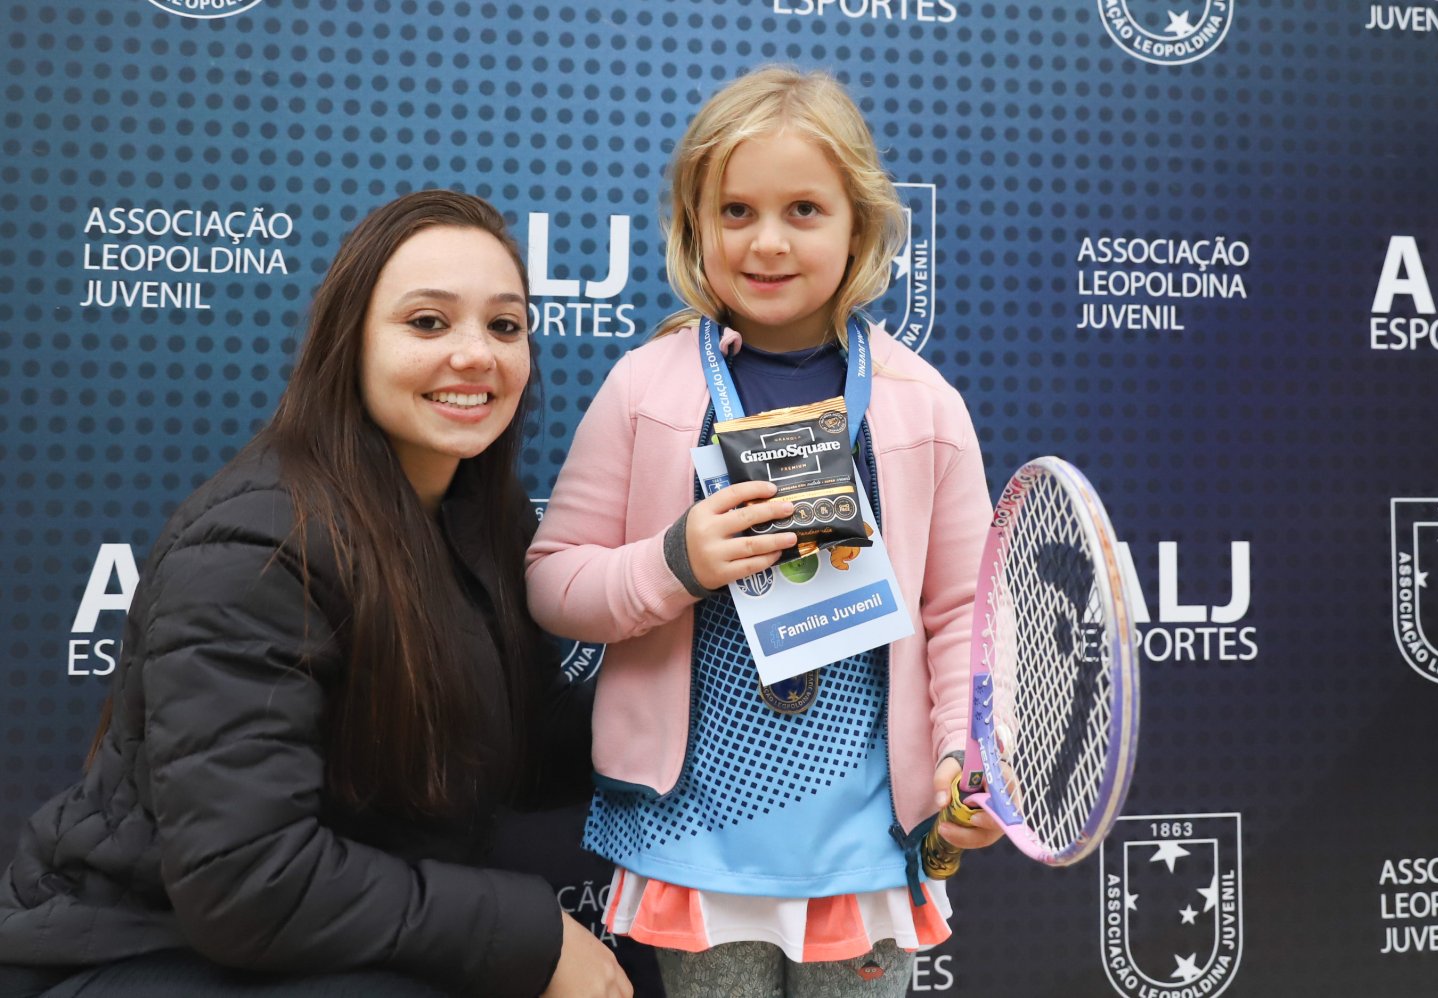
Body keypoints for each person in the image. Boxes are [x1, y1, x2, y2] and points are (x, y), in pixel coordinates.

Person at [0, 191, 632, 998]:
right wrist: (532, 937)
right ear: (349, 341)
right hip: (132, 950)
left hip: (298, 938)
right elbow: (247, 880)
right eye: (428, 323)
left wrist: (692, 699)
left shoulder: (484, 514)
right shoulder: (257, 546)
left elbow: (521, 751)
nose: (477, 354)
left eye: (505, 326)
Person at [525, 67, 1003, 997]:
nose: (768, 241)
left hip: (867, 843)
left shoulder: (923, 405)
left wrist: (965, 758)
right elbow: (553, 580)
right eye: (736, 211)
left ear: (860, 226)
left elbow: (967, 617)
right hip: (695, 837)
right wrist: (675, 563)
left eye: (804, 211)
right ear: (694, 225)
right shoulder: (645, 388)